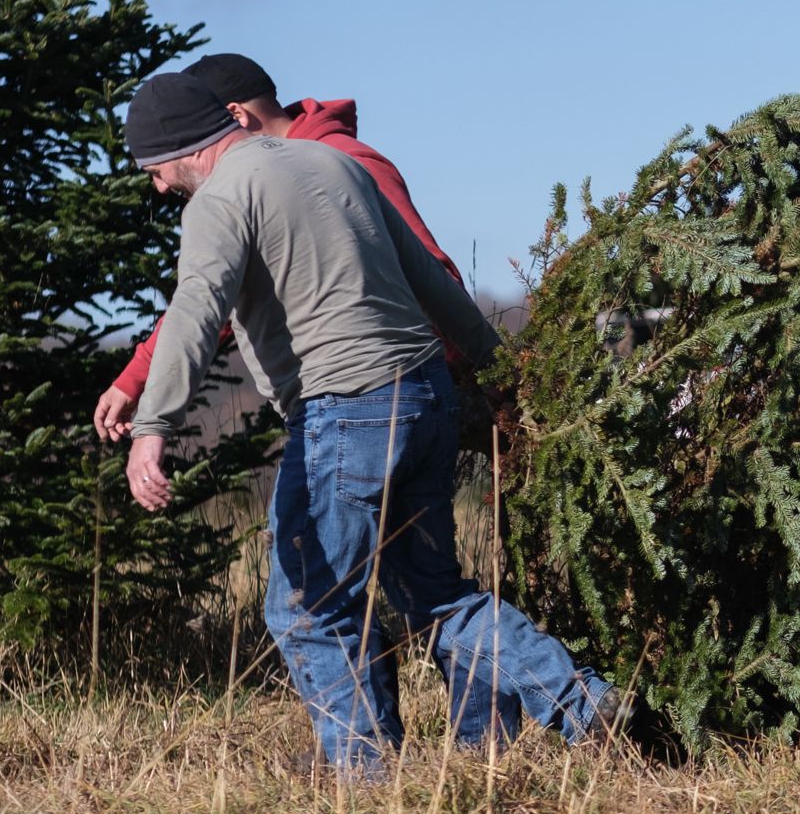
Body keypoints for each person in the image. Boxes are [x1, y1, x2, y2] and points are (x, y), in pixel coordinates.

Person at [120, 67, 624, 773]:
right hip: (423, 397)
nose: (158, 185)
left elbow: (198, 311)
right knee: (436, 599)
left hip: (345, 409)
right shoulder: (330, 163)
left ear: (181, 150)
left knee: (303, 606)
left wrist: (153, 429)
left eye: (154, 170)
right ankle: (584, 704)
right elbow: (427, 277)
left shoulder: (221, 198)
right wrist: (499, 370)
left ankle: (361, 772)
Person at [94, 52, 464, 443]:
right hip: (357, 402)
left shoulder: (343, 162)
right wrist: (137, 377)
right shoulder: (256, 183)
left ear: (234, 116)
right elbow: (214, 295)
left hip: (384, 398)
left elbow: (431, 273)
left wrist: (462, 386)